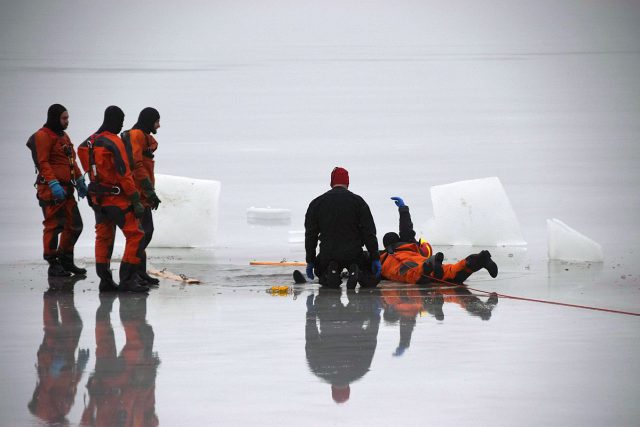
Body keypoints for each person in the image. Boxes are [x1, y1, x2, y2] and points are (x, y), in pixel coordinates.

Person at [77, 106, 148, 293]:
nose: (123, 124)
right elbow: (124, 174)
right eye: (121, 120)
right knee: (136, 235)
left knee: (103, 237)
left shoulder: (87, 143)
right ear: (114, 120)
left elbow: (85, 161)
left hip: (97, 199)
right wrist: (135, 200)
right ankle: (127, 279)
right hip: (117, 199)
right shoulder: (114, 142)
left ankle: (105, 281)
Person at [28, 104, 88, 277]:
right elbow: (43, 162)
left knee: (75, 225)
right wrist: (53, 183)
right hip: (51, 190)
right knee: (54, 226)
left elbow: (71, 160)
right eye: (64, 118)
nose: (67, 121)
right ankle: (52, 262)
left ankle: (66, 259)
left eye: (67, 118)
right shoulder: (43, 136)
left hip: (67, 189)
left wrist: (79, 179)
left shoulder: (63, 136)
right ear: (55, 118)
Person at [81, 293, 159, 426]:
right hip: (108, 380)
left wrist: (149, 370)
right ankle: (110, 303)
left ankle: (122, 300)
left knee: (137, 340)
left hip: (121, 379)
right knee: (107, 338)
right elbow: (86, 421)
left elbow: (144, 408)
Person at [380, 197, 498, 285]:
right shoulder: (409, 244)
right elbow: (406, 228)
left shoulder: (383, 256)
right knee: (450, 272)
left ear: (386, 245)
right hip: (422, 260)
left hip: (414, 269)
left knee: (413, 273)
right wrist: (403, 209)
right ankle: (480, 259)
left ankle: (428, 266)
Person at [301, 167, 381, 289]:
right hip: (354, 253)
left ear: (331, 182)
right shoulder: (358, 202)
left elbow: (311, 235)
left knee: (321, 272)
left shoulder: (316, 203)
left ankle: (331, 272)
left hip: (328, 253)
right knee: (370, 277)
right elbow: (368, 232)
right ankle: (357, 271)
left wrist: (310, 261)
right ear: (347, 183)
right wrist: (374, 257)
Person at [305, 288, 381, 404]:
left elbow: (370, 341)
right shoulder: (320, 370)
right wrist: (310, 315)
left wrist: (375, 318)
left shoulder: (360, 371)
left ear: (348, 389)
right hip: (330, 318)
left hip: (353, 318)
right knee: (329, 290)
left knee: (353, 293)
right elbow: (311, 340)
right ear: (332, 389)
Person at [121, 107, 162, 286]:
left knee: (146, 232)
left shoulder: (144, 136)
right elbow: (136, 165)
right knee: (140, 234)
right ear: (149, 121)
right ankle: (130, 273)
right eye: (156, 121)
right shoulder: (136, 135)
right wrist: (148, 191)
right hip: (136, 195)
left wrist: (149, 193)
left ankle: (139, 271)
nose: (159, 126)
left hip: (143, 195)